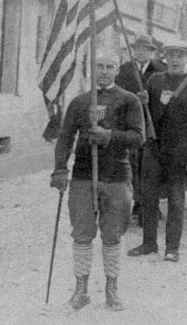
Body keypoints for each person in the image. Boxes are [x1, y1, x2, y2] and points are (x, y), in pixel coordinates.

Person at [50, 54, 144, 310]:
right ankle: (81, 289)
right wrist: (59, 170)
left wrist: (109, 136)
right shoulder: (80, 102)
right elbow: (65, 137)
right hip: (83, 175)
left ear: (116, 70)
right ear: (92, 70)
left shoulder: (129, 100)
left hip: (116, 176)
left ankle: (112, 289)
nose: (104, 71)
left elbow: (138, 138)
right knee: (82, 234)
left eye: (109, 66)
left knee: (112, 235)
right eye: (99, 66)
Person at [128, 41, 187, 263]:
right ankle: (149, 243)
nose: (175, 60)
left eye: (180, 56)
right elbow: (145, 114)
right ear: (165, 57)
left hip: (180, 152)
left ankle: (172, 247)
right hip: (154, 148)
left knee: (175, 200)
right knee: (148, 197)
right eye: (171, 55)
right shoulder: (155, 81)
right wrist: (141, 101)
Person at [115, 34, 166, 225]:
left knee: (152, 165)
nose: (142, 52)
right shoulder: (124, 71)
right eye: (138, 48)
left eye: (147, 49)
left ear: (153, 52)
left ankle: (152, 204)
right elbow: (117, 96)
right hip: (132, 125)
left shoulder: (161, 70)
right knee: (133, 164)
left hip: (154, 126)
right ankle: (137, 202)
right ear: (133, 50)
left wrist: (150, 100)